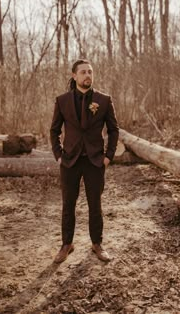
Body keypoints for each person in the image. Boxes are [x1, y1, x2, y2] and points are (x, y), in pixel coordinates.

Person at [50, 58, 119, 263]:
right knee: (68, 204)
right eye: (83, 72)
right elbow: (54, 131)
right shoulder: (62, 100)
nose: (87, 75)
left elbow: (114, 130)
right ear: (74, 76)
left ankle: (97, 244)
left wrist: (108, 156)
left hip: (95, 161)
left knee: (95, 204)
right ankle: (66, 244)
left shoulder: (104, 100)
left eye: (90, 72)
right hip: (69, 160)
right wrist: (59, 155)